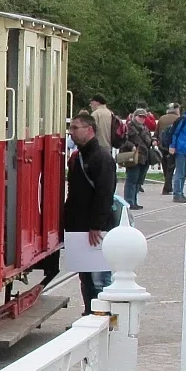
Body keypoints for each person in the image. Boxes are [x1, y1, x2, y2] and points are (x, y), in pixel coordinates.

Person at [63, 111, 117, 314]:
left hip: (94, 228)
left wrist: (97, 226)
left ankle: (101, 316)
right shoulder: (79, 156)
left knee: (98, 277)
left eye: (76, 128)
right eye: (71, 128)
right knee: (85, 276)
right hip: (78, 225)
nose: (71, 133)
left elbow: (105, 194)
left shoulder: (101, 158)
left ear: (90, 130)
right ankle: (90, 313)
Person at [120, 108, 153, 210]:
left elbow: (149, 141)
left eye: (144, 117)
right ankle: (129, 202)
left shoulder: (145, 128)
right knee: (131, 180)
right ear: (135, 116)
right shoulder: (128, 127)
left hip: (144, 157)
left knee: (138, 181)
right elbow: (123, 141)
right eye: (140, 116)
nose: (142, 119)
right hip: (133, 156)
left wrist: (154, 140)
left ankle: (134, 201)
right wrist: (131, 146)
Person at [156, 103, 180, 196]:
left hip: (162, 146)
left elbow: (157, 132)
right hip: (172, 146)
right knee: (171, 168)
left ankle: (168, 186)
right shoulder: (178, 119)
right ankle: (167, 188)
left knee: (165, 167)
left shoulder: (162, 118)